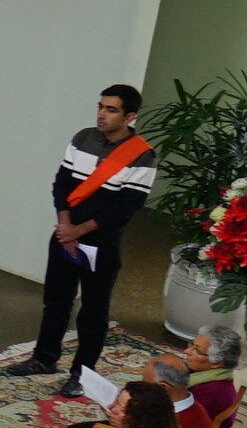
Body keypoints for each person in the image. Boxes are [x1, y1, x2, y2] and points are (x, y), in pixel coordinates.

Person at [26, 82, 152, 377]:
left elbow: (125, 207)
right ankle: (44, 358)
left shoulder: (142, 156)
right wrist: (65, 225)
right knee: (55, 301)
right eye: (100, 107)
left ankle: (81, 375)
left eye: (111, 109)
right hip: (65, 233)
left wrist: (77, 231)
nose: (101, 115)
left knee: (93, 312)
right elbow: (61, 183)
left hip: (101, 244)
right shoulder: (83, 138)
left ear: (130, 116)